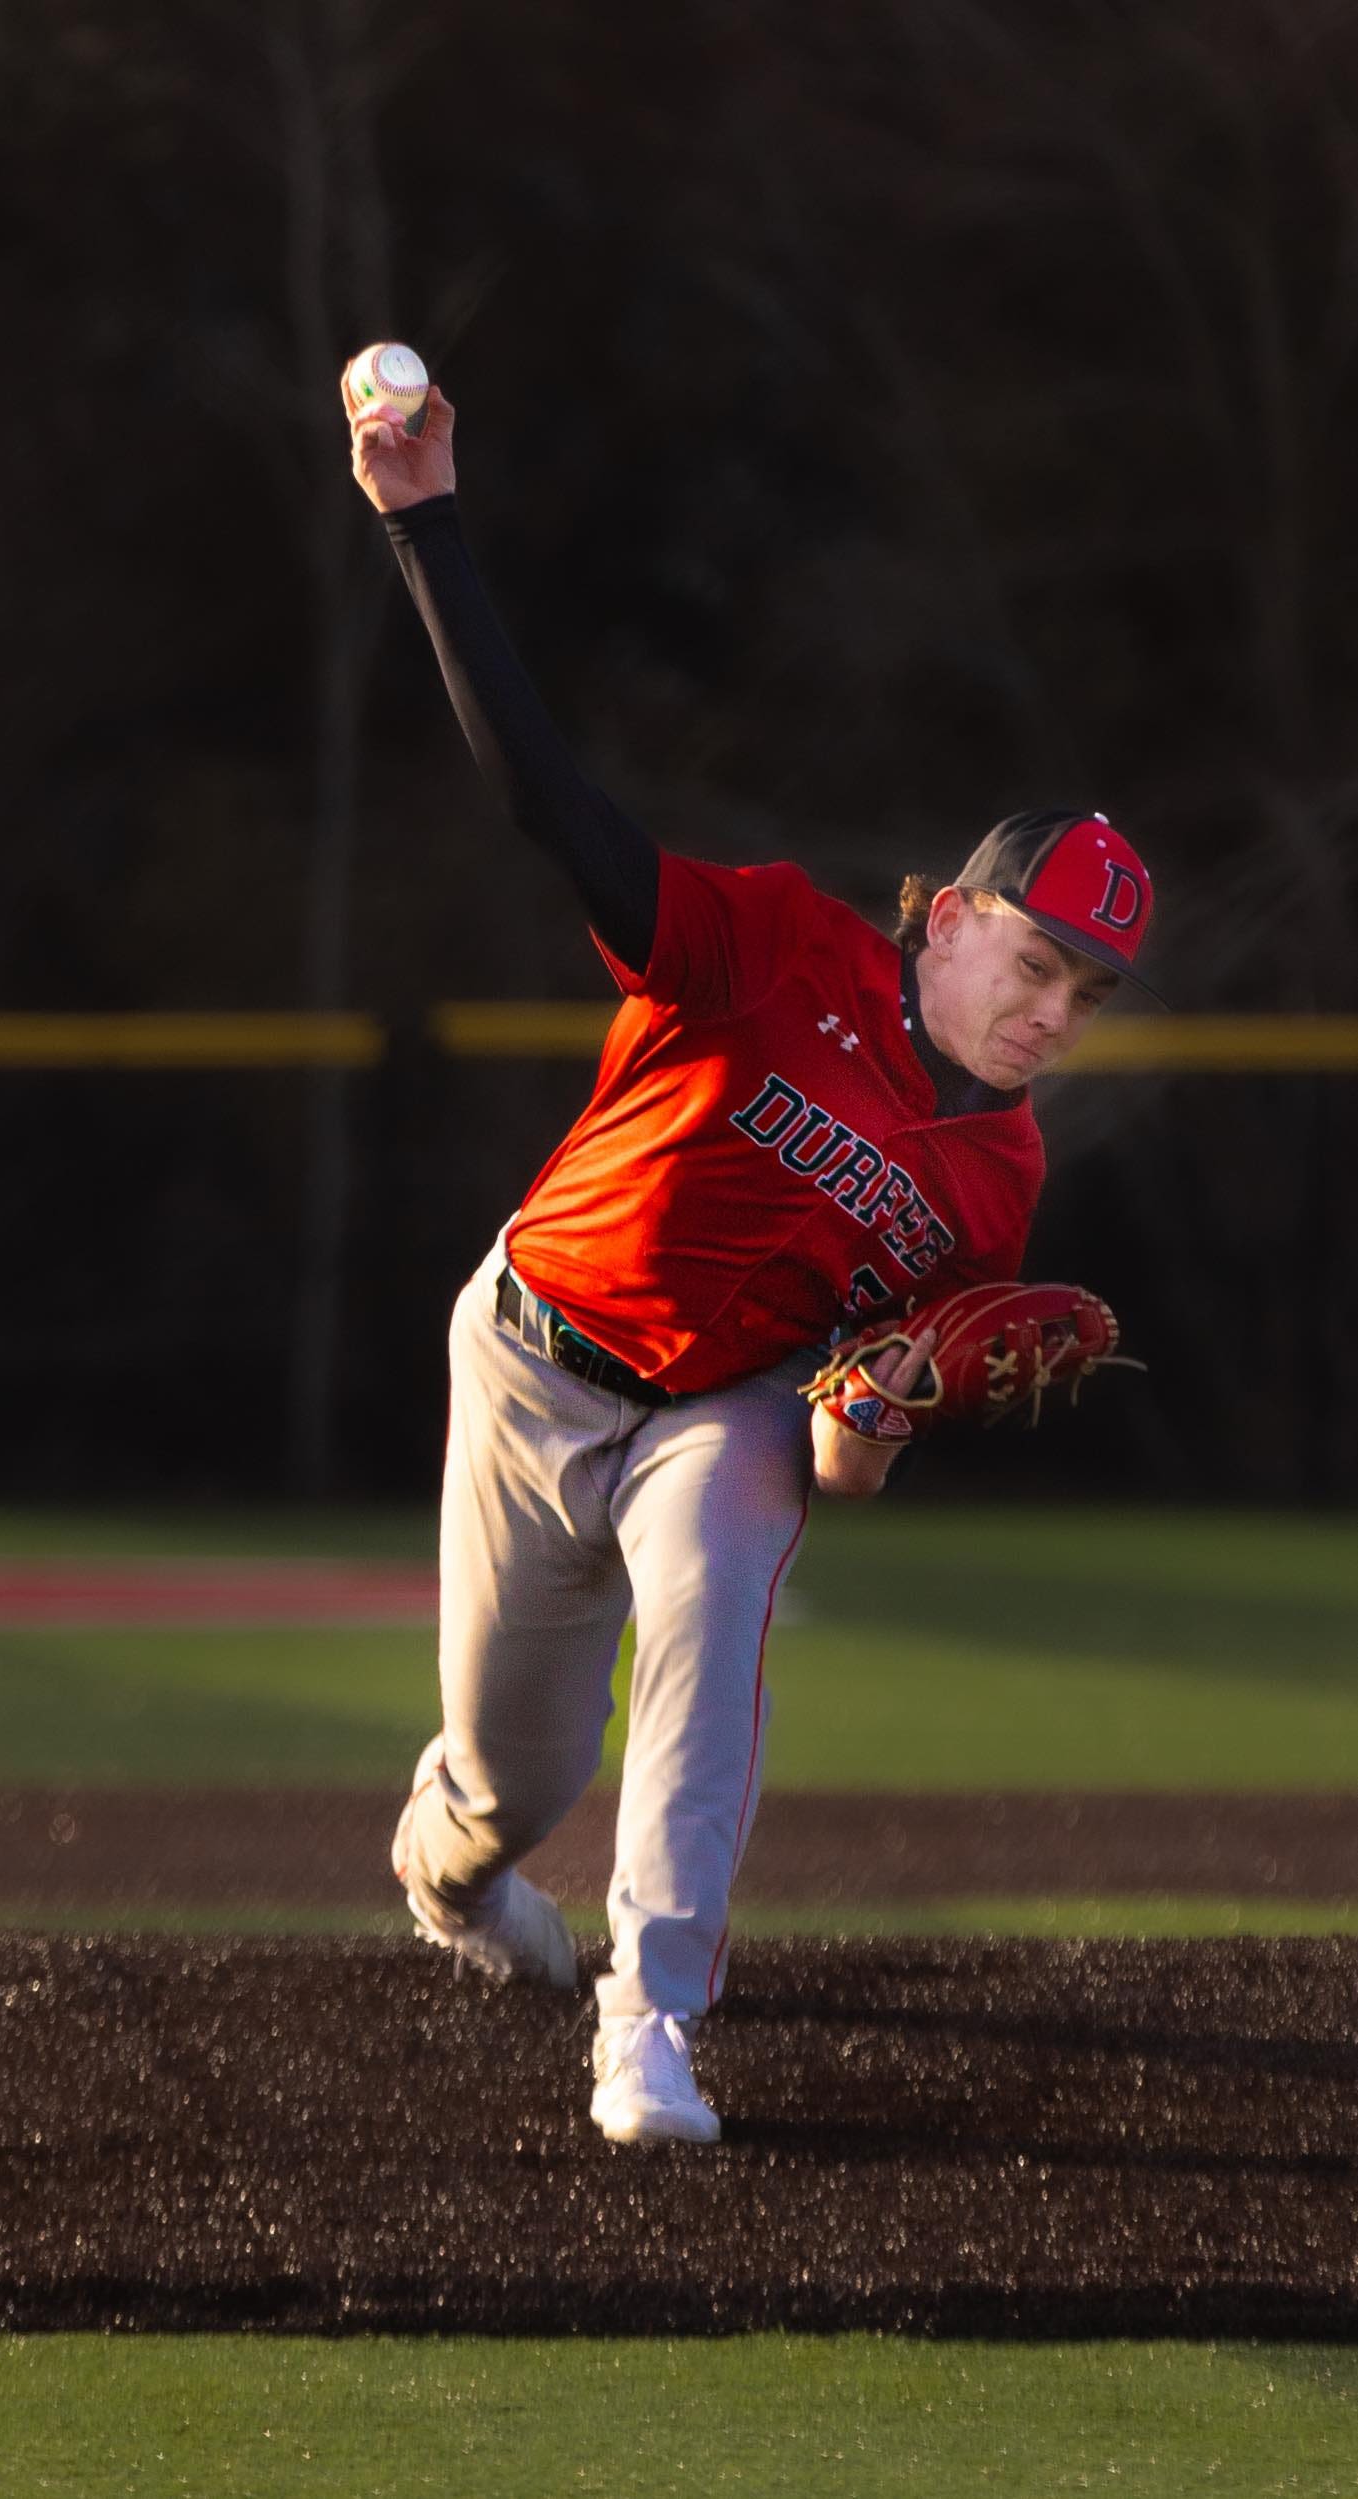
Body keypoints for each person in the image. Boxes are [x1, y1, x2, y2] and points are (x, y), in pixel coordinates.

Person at [343, 371, 1156, 2145]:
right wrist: (425, 525)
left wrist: (876, 1407)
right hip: (534, 1355)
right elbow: (554, 807)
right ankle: (456, 1869)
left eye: (1084, 995)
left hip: (719, 1410)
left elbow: (858, 1443)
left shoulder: (996, 1175)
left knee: (722, 1589)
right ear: (947, 918)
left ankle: (653, 2015)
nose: (1050, 1012)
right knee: (509, 1776)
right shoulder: (771, 940)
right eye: (1032, 961)